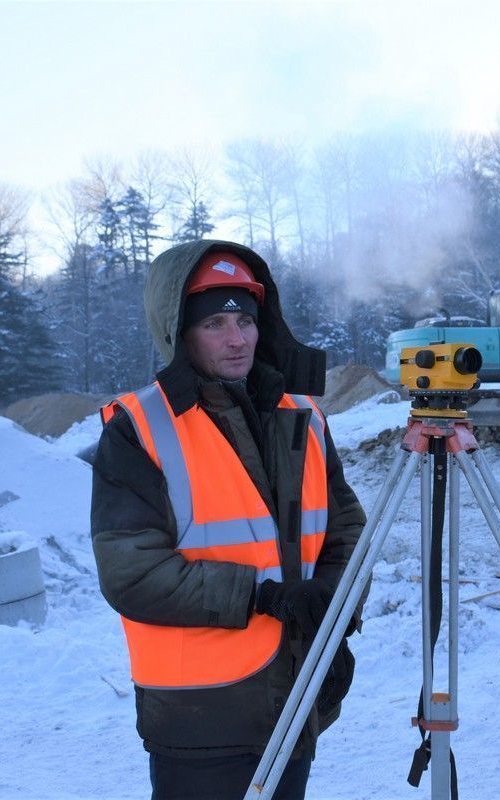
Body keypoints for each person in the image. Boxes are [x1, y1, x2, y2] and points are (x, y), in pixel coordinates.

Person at [91, 240, 366, 800]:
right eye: (215, 322)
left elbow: (346, 529)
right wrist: (263, 597)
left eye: (245, 318)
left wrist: (332, 599)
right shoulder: (139, 429)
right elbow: (132, 574)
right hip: (200, 715)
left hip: (295, 694)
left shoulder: (303, 415)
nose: (237, 338)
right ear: (179, 332)